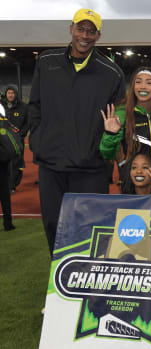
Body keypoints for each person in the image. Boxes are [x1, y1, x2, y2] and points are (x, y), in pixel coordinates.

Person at [28, 8, 125, 255]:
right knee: (53, 225)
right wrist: (39, 141)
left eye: (91, 31)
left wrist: (102, 149)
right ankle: (61, 284)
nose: (85, 35)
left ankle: (88, 284)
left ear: (99, 36)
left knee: (92, 230)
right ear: (71, 29)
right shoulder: (47, 62)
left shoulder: (111, 73)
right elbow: (35, 105)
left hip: (90, 168)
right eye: (81, 29)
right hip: (52, 163)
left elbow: (119, 117)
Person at [100, 67, 151, 181]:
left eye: (149, 82)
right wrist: (110, 134)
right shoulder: (122, 113)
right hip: (133, 180)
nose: (142, 86)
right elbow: (107, 154)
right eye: (138, 82)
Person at [1, 85, 28, 192]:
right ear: (6, 94)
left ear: (16, 94)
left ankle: (12, 185)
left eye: (12, 93)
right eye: (9, 93)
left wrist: (21, 134)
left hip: (18, 141)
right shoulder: (1, 106)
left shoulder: (24, 107)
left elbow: (27, 122)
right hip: (4, 141)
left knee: (16, 164)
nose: (10, 95)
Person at [0, 104, 15, 231]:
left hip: (3, 157)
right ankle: (8, 223)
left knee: (5, 192)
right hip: (4, 157)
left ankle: (8, 222)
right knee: (5, 192)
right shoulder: (2, 109)